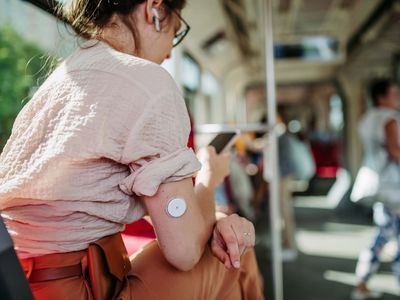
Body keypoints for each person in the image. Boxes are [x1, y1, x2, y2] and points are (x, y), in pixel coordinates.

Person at [0, 0, 264, 299]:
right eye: (175, 32)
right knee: (236, 258)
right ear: (154, 8)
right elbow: (185, 251)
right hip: (83, 288)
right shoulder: (148, 81)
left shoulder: (59, 82)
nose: (170, 52)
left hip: (21, 282)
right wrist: (209, 177)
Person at [351, 78, 400, 300]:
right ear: (381, 97)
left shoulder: (367, 118)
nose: (397, 98)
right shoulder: (390, 119)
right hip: (394, 185)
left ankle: (362, 282)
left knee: (383, 232)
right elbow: (395, 151)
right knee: (387, 234)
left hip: (376, 181)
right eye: (394, 94)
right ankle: (363, 282)